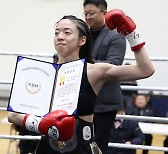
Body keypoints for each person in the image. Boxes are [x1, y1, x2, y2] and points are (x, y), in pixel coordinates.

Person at [8, 9, 155, 154]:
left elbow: (145, 70)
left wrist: (131, 35)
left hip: (82, 148)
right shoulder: (42, 75)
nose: (60, 36)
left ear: (82, 40)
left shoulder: (94, 71)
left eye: (67, 32)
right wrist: (41, 124)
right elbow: (13, 115)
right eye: (57, 32)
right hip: (48, 148)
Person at [83, 0, 126, 153]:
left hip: (105, 102)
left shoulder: (116, 35)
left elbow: (114, 64)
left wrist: (86, 65)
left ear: (104, 13)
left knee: (99, 145)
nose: (88, 17)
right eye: (86, 13)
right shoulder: (83, 34)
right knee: (81, 143)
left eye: (92, 13)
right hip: (83, 99)